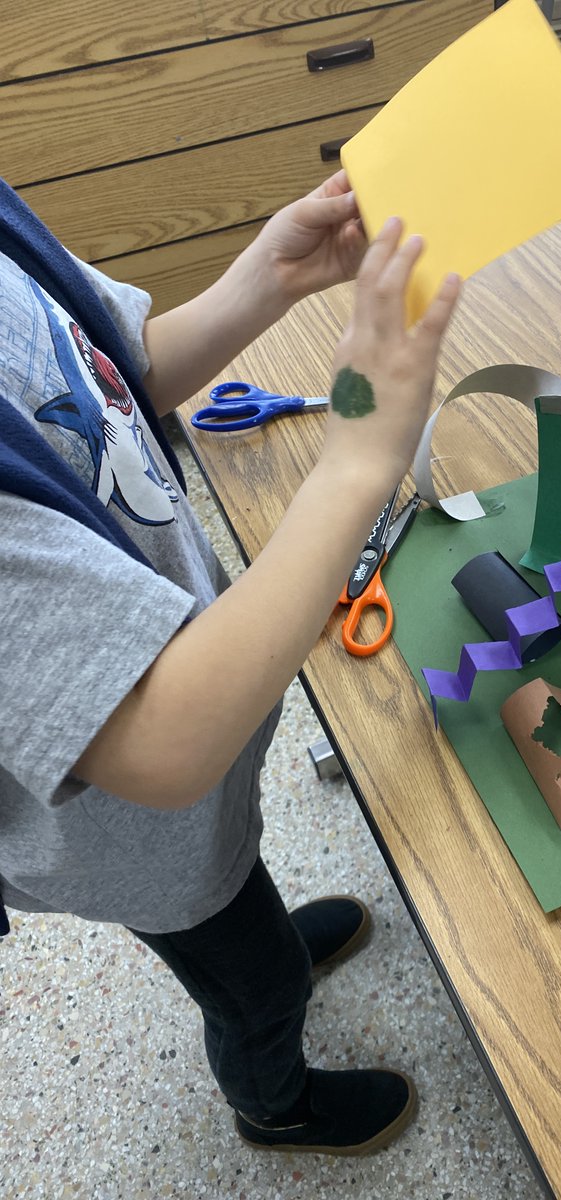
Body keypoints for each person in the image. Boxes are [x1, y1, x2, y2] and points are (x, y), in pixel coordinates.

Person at [0, 169, 461, 1155]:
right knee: (252, 980)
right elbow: (163, 742)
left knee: (234, 880)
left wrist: (267, 277)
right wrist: (356, 457)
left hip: (188, 766)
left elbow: (116, 371)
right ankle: (273, 1102)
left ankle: (260, 942)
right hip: (128, 831)